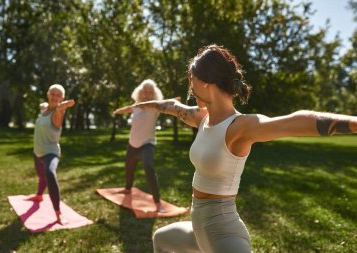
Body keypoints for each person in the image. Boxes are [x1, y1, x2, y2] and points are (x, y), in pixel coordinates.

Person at [133, 44, 357, 253]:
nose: (190, 87)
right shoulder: (202, 118)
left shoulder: (240, 127)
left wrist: (353, 123)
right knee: (161, 239)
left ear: (206, 84)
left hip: (224, 234)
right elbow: (173, 106)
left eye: (192, 80)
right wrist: (145, 104)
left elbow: (298, 120)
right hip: (197, 229)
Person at [113, 79, 166, 212]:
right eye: (145, 91)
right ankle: (127, 188)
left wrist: (175, 103)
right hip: (132, 144)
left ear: (154, 94)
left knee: (148, 167)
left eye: (150, 92)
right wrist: (118, 111)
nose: (147, 94)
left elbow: (167, 105)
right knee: (129, 169)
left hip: (147, 145)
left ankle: (157, 202)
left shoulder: (155, 107)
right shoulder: (136, 106)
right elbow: (128, 108)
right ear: (140, 93)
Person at [27, 84, 75, 225]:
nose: (55, 97)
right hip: (37, 151)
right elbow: (44, 106)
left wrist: (64, 105)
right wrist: (44, 105)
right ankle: (39, 195)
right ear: (48, 94)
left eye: (58, 95)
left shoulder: (58, 113)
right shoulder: (44, 110)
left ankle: (58, 213)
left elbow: (59, 109)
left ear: (62, 98)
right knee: (41, 175)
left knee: (49, 173)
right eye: (52, 93)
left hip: (51, 152)